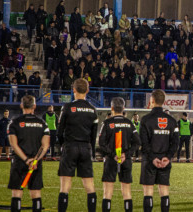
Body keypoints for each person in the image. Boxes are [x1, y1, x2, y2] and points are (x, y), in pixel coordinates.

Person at [57, 79, 99, 212]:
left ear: (73, 90)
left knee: (65, 187)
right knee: (90, 186)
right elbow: (93, 135)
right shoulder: (93, 110)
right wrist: (91, 151)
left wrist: (63, 144)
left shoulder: (67, 107)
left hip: (70, 146)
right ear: (87, 90)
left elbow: (59, 132)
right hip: (85, 148)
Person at [8, 95, 50, 212]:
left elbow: (14, 145)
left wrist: (26, 160)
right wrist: (35, 160)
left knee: (17, 193)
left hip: (19, 162)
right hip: (35, 164)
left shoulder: (14, 123)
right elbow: (45, 145)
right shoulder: (43, 124)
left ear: (21, 105)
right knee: (36, 193)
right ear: (34, 106)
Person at [139, 89, 179, 212]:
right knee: (164, 191)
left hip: (150, 161)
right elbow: (175, 142)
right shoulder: (172, 121)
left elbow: (144, 143)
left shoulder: (145, 120)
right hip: (165, 161)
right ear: (163, 101)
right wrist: (168, 157)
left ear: (152, 100)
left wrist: (152, 158)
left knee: (148, 192)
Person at [99, 97, 141, 212]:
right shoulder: (129, 123)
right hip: (126, 160)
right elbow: (137, 142)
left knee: (107, 192)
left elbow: (101, 144)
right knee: (127, 192)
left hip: (111, 160)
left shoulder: (107, 123)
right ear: (123, 108)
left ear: (111, 108)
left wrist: (113, 155)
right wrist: (126, 155)